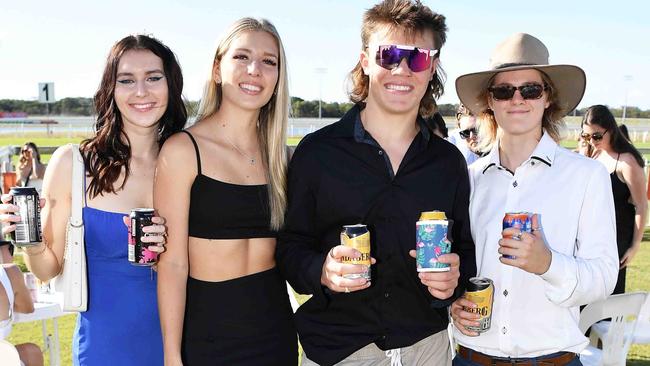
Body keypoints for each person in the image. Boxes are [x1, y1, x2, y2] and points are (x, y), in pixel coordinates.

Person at [276, 1, 476, 365]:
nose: (401, 69)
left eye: (417, 58)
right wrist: (322, 269)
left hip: (427, 347)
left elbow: (464, 249)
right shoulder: (317, 153)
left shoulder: (448, 163)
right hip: (342, 351)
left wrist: (455, 278)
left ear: (432, 67)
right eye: (388, 55)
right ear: (366, 61)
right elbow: (289, 247)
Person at [1, 34, 186, 365]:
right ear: (110, 91)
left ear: (171, 84)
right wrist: (29, 239)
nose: (141, 91)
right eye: (126, 80)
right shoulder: (74, 164)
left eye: (153, 78)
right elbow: (47, 269)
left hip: (188, 341)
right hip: (105, 348)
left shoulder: (189, 161)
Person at [450, 33, 618, 365]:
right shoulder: (467, 180)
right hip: (473, 357)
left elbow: (603, 277)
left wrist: (548, 264)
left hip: (554, 358)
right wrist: (454, 303)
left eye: (530, 89)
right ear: (490, 102)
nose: (517, 99)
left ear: (547, 99)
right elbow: (457, 266)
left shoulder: (586, 176)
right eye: (503, 90)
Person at [154, 18, 297, 365]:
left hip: (274, 326)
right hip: (208, 330)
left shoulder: (284, 158)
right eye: (242, 57)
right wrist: (172, 355)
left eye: (269, 61)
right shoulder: (183, 150)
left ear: (278, 77)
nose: (255, 70)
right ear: (217, 69)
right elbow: (171, 264)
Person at [581, 105, 647, 294]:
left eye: (597, 136)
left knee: (607, 307)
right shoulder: (594, 154)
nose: (592, 141)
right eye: (587, 136)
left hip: (616, 242)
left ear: (611, 130)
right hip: (591, 238)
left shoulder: (627, 162)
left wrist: (634, 246)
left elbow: (642, 205)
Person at [0, 241, 43, 366]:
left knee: (31, 352)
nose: (11, 254)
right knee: (32, 353)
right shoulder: (9, 272)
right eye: (10, 248)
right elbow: (27, 308)